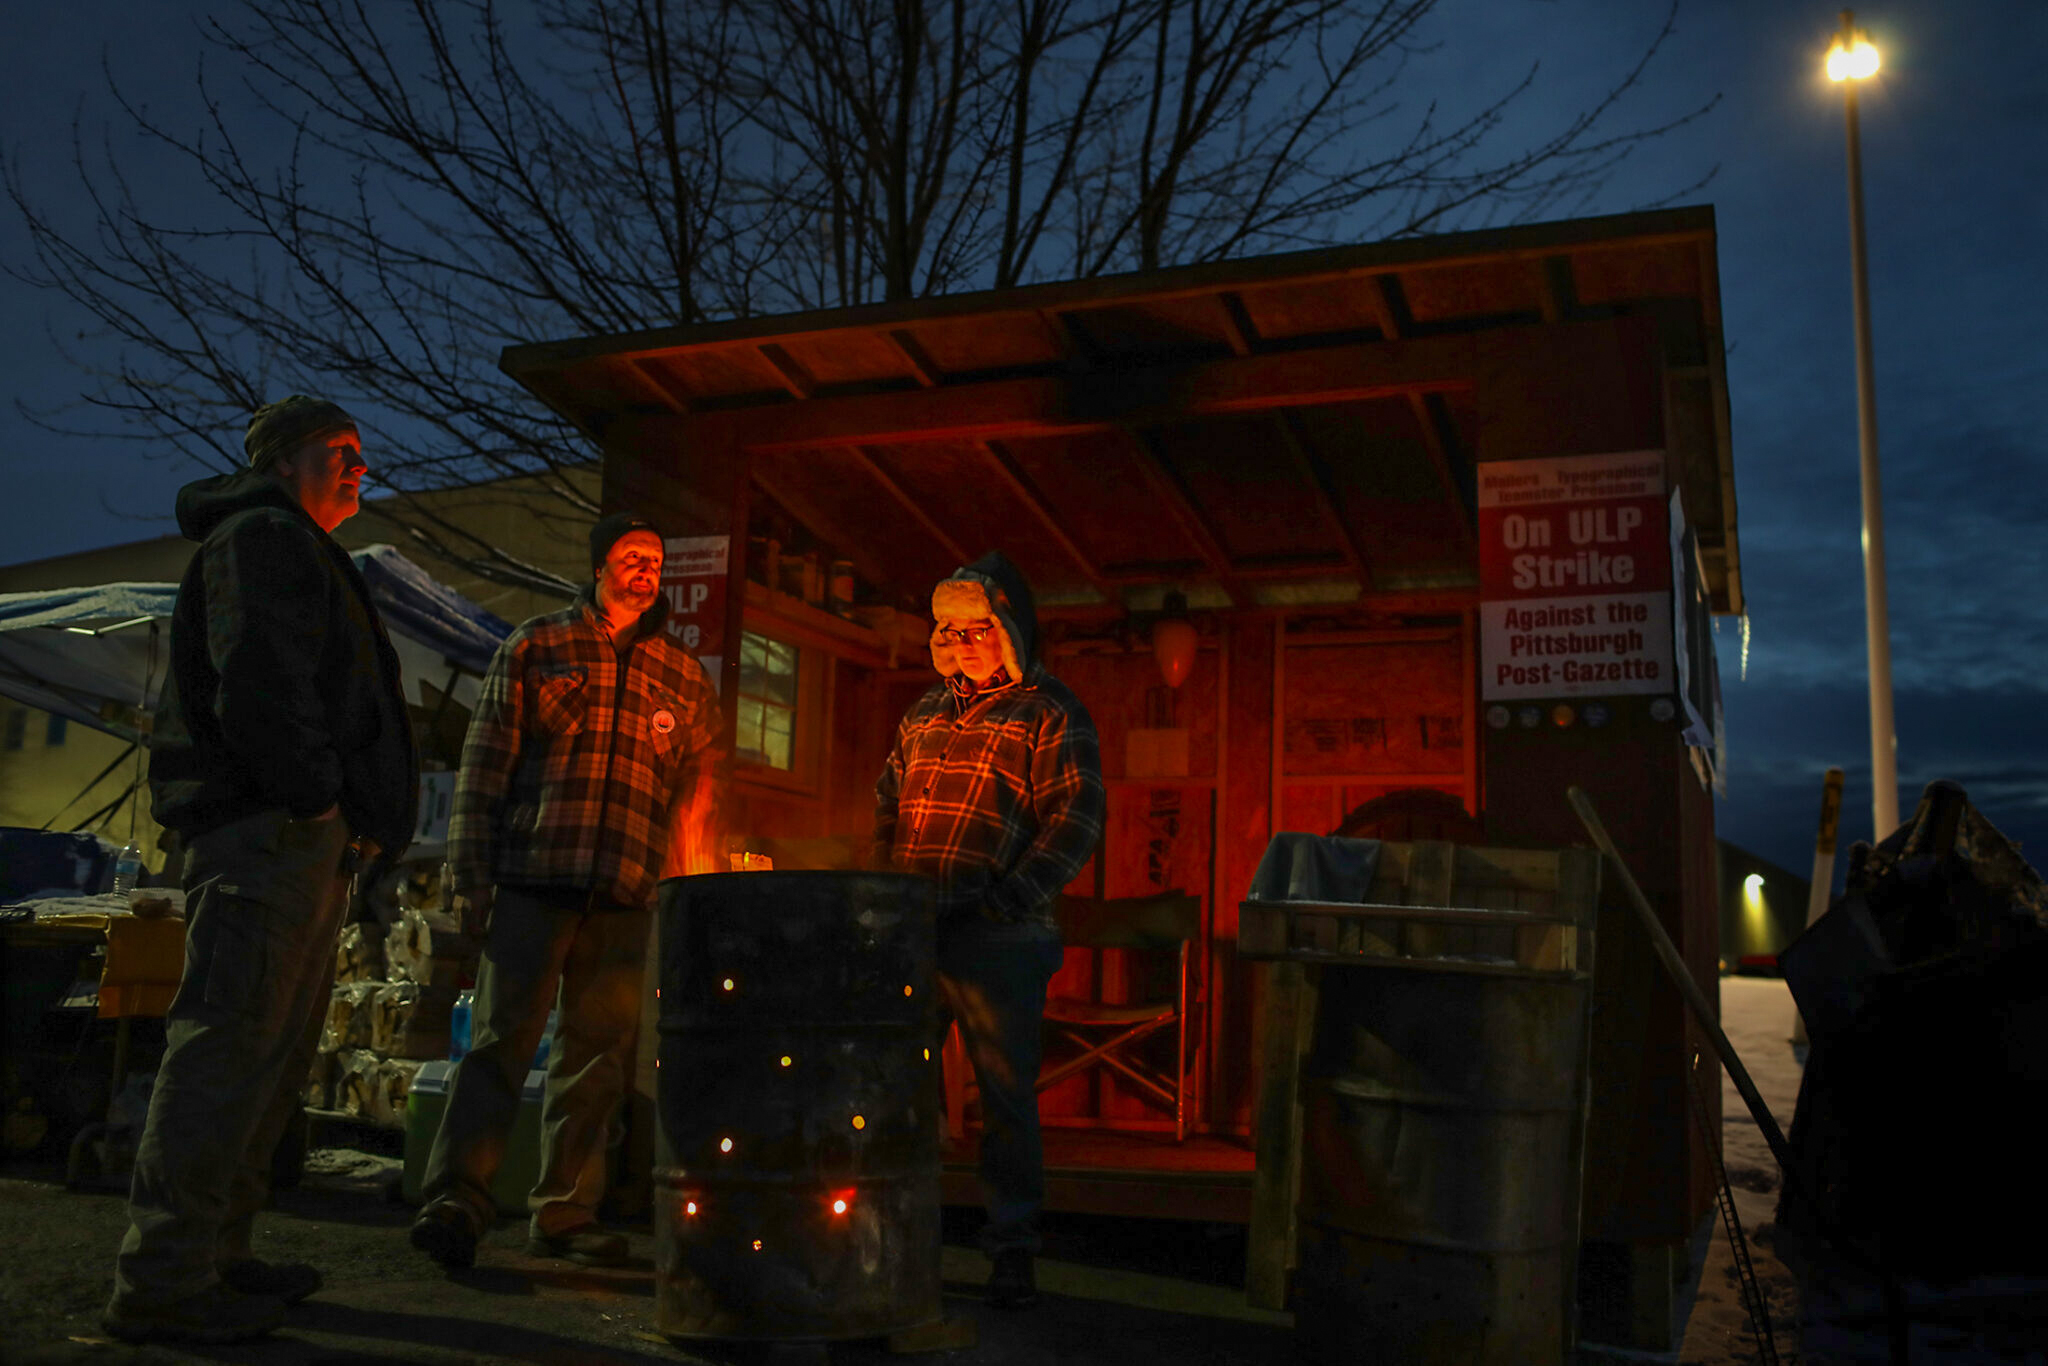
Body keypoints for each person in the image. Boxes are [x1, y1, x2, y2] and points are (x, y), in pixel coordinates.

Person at [105, 396, 419, 1344]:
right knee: (226, 1052)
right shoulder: (262, 538)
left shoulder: (295, 546)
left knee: (266, 1065)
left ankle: (218, 1255)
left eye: (361, 452)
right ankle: (165, 1280)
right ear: (285, 461)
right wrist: (313, 796)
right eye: (340, 450)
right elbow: (261, 676)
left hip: (297, 839)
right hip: (268, 834)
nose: (360, 466)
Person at [411, 512, 725, 1270]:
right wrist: (470, 876)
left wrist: (685, 879)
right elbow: (485, 764)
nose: (645, 569)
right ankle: (457, 1201)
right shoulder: (538, 647)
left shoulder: (683, 676)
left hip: (625, 895)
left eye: (655, 560)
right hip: (534, 879)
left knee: (597, 1061)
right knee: (500, 1044)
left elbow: (698, 786)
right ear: (599, 566)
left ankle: (566, 1212)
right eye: (631, 556)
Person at [874, 551, 1104, 1309]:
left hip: (1001, 940)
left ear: (1009, 630)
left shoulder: (1049, 710)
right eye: (951, 631)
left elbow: (1076, 819)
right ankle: (895, 1240)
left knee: (1004, 1101)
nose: (963, 643)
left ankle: (1011, 1251)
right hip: (917, 933)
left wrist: (1008, 901)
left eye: (979, 629)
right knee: (897, 1089)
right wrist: (884, 891)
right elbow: (888, 802)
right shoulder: (924, 713)